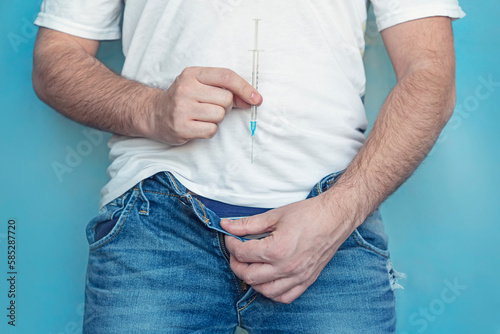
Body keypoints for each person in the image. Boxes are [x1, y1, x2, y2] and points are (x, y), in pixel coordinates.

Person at [32, 1, 465, 333]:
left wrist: (338, 212)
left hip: (331, 222)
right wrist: (151, 109)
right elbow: (55, 58)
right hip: (155, 211)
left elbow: (430, 74)